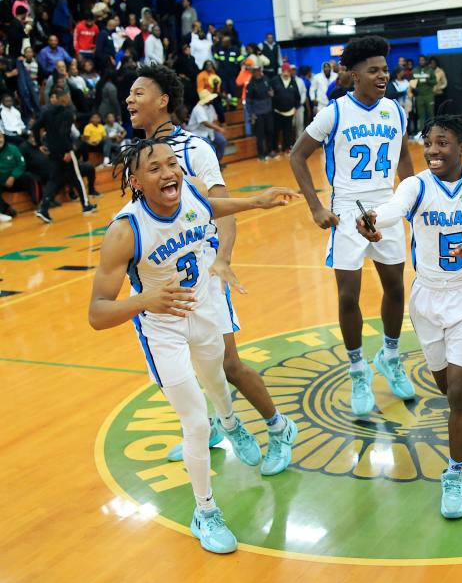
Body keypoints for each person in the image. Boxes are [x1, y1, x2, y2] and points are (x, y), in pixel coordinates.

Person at [88, 138, 297, 554]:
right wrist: (145, 300)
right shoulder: (125, 231)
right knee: (196, 421)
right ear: (135, 180)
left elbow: (210, 209)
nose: (169, 173)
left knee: (219, 385)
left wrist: (257, 201)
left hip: (203, 312)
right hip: (162, 329)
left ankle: (233, 424)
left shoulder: (194, 191)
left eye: (172, 164)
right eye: (155, 169)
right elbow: (97, 313)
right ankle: (205, 511)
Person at [126, 64, 299, 474]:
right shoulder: (135, 155)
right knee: (181, 370)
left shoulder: (194, 149)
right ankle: (213, 428)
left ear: (163, 100)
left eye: (138, 93)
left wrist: (222, 259)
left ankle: (279, 427)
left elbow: (223, 209)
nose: (129, 100)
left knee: (228, 365)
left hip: (202, 276)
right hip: (162, 281)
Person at [356, 114, 462, 519]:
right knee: (444, 384)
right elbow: (388, 210)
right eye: (429, 144)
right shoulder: (416, 186)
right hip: (428, 299)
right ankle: (458, 397)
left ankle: (454, 473)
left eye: (443, 143)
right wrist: (367, 221)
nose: (434, 151)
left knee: (457, 392)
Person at [289, 35, 416, 416]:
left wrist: (410, 201)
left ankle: (390, 356)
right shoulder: (335, 113)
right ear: (354, 74)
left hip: (387, 207)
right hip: (346, 210)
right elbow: (297, 156)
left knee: (395, 287)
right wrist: (315, 207)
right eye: (373, 70)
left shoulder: (395, 110)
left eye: (384, 70)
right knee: (348, 295)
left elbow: (405, 157)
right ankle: (358, 369)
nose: (382, 76)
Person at [33, 88, 97, 222]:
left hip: (53, 151)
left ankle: (43, 208)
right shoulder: (67, 113)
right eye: (67, 96)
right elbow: (63, 133)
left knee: (54, 179)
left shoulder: (47, 113)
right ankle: (86, 205)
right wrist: (68, 151)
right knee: (77, 176)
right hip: (65, 150)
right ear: (63, 98)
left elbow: (35, 127)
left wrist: (40, 144)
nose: (69, 99)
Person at [0, 132, 40, 218]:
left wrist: (13, 176)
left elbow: (21, 164)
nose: (0, 140)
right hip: (1, 181)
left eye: (1, 137)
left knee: (30, 177)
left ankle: (38, 203)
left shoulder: (13, 149)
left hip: (14, 180)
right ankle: (6, 209)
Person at [188, 89, 227, 163]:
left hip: (209, 131)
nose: (212, 99)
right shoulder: (198, 108)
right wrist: (219, 129)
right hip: (198, 133)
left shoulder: (211, 107)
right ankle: (210, 165)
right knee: (209, 146)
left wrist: (217, 129)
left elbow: (214, 119)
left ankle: (217, 162)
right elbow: (205, 122)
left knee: (222, 141)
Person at [245, 62, 275, 160]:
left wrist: (272, 93)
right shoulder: (250, 84)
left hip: (268, 111)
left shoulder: (266, 79)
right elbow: (248, 102)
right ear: (253, 72)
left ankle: (270, 151)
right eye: (255, 71)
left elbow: (271, 91)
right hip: (258, 113)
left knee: (270, 131)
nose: (258, 72)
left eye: (259, 70)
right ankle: (261, 154)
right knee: (260, 134)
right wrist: (251, 114)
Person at [270, 63, 300, 153]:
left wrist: (296, 108)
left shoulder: (293, 81)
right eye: (284, 71)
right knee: (276, 130)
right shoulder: (275, 80)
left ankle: (287, 147)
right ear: (281, 72)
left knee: (288, 131)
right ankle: (274, 148)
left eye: (288, 71)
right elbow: (271, 93)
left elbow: (297, 96)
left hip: (290, 111)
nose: (286, 73)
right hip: (277, 111)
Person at [410, 55, 435, 136]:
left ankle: (433, 130)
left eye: (423, 60)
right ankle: (421, 131)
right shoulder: (415, 70)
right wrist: (414, 89)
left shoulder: (430, 70)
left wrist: (428, 81)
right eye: (420, 60)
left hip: (429, 95)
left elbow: (435, 82)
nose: (421, 62)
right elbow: (412, 83)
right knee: (421, 114)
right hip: (419, 96)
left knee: (431, 113)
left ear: (426, 61)